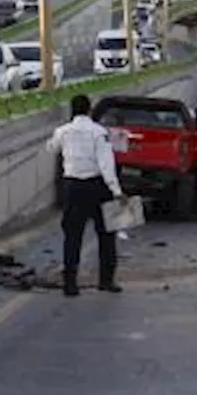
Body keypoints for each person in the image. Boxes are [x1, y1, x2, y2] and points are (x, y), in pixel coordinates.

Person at [47, 94, 126, 297]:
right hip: (97, 186)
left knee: (72, 237)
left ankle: (70, 284)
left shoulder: (63, 132)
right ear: (90, 110)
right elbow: (106, 165)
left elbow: (51, 148)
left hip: (72, 187)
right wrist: (117, 192)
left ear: (72, 110)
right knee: (106, 235)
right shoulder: (99, 133)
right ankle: (106, 281)